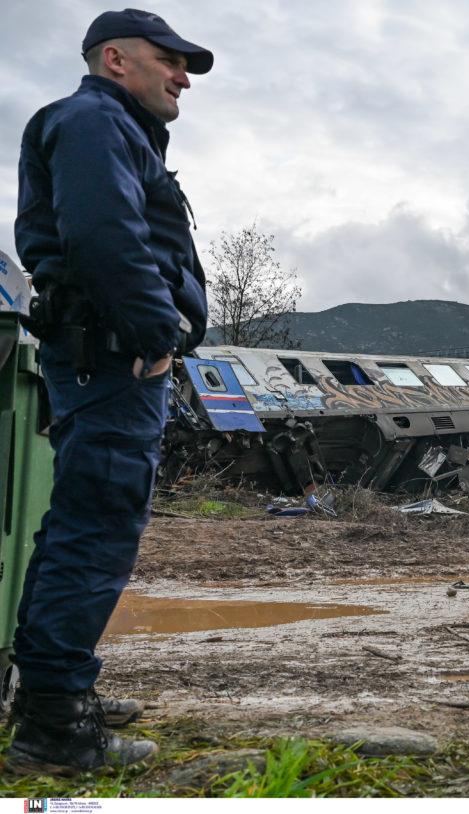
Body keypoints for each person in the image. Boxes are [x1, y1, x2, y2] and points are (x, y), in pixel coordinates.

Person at [7, 8, 211, 776]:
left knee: (77, 529)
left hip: (106, 358)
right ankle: (56, 729)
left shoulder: (112, 127)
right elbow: (102, 234)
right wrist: (157, 335)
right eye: (172, 60)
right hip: (116, 359)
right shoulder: (93, 121)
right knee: (95, 533)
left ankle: (50, 695)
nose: (183, 76)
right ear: (117, 59)